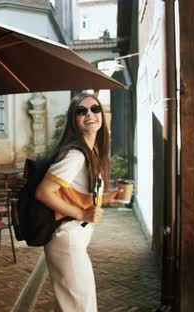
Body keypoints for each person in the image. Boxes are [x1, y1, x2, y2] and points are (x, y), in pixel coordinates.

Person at [35, 92, 111, 312]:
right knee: (82, 307)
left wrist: (110, 198)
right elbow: (44, 192)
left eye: (95, 109)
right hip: (67, 238)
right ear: (73, 120)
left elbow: (76, 194)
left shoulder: (91, 152)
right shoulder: (75, 155)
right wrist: (82, 214)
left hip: (75, 238)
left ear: (101, 116)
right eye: (81, 111)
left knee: (71, 306)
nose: (90, 114)